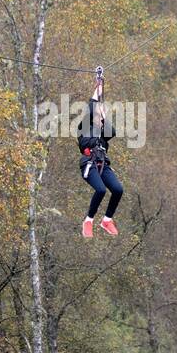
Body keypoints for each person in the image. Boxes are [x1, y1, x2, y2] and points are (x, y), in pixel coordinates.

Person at [78, 67, 123, 238]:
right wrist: (98, 87)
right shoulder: (83, 127)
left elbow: (112, 132)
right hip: (89, 163)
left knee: (118, 190)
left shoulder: (103, 133)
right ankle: (88, 221)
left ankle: (106, 220)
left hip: (102, 163)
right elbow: (91, 107)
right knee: (101, 190)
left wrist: (104, 117)